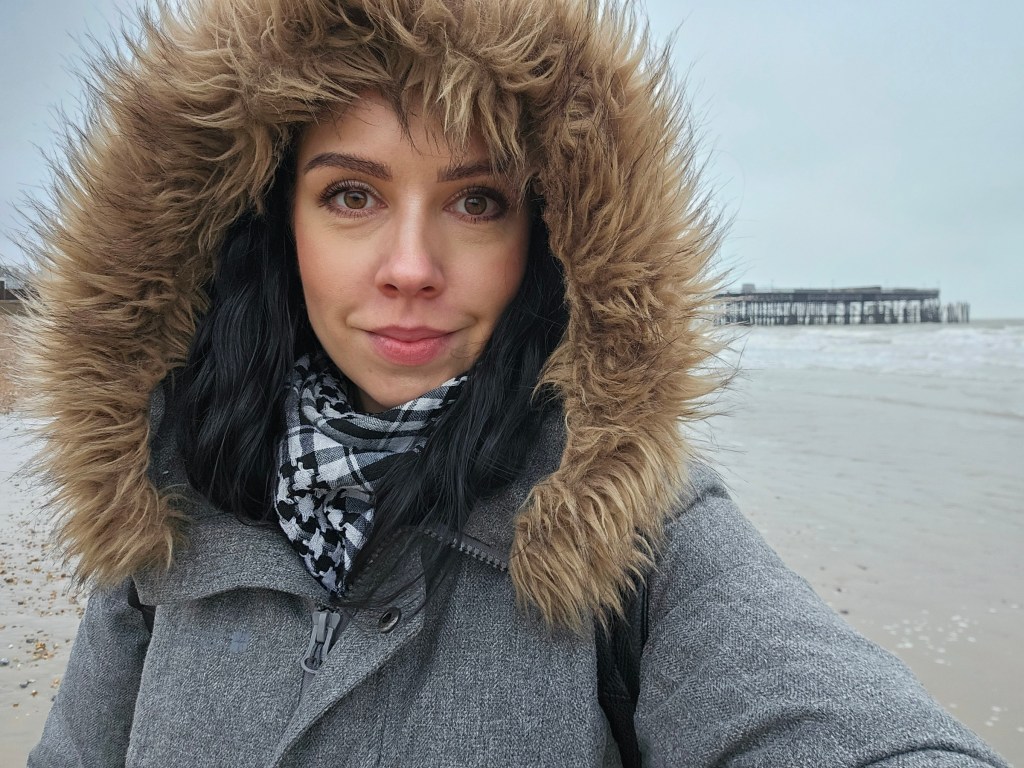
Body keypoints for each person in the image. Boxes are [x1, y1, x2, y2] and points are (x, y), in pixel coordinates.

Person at [22, 0, 1008, 766]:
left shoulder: (628, 521)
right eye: (352, 194)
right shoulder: (166, 507)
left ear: (544, 242)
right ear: (272, 229)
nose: (411, 265)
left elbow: (821, 712)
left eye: (478, 200)